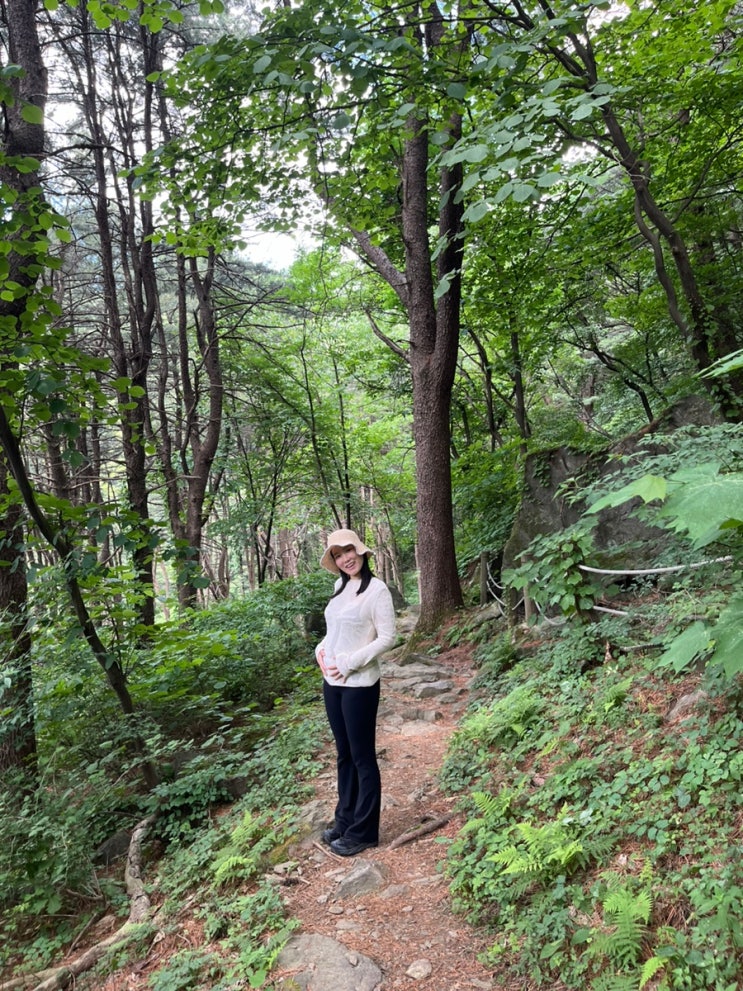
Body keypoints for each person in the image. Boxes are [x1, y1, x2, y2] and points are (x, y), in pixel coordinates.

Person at [315, 528, 397, 856]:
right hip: (332, 684)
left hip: (360, 685)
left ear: (360, 551)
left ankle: (364, 832)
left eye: (349, 550)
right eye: (338, 555)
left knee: (362, 757)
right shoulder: (339, 588)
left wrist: (349, 662)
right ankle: (345, 820)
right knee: (344, 754)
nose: (345, 559)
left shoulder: (377, 591)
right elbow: (333, 630)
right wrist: (321, 650)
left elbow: (387, 637)